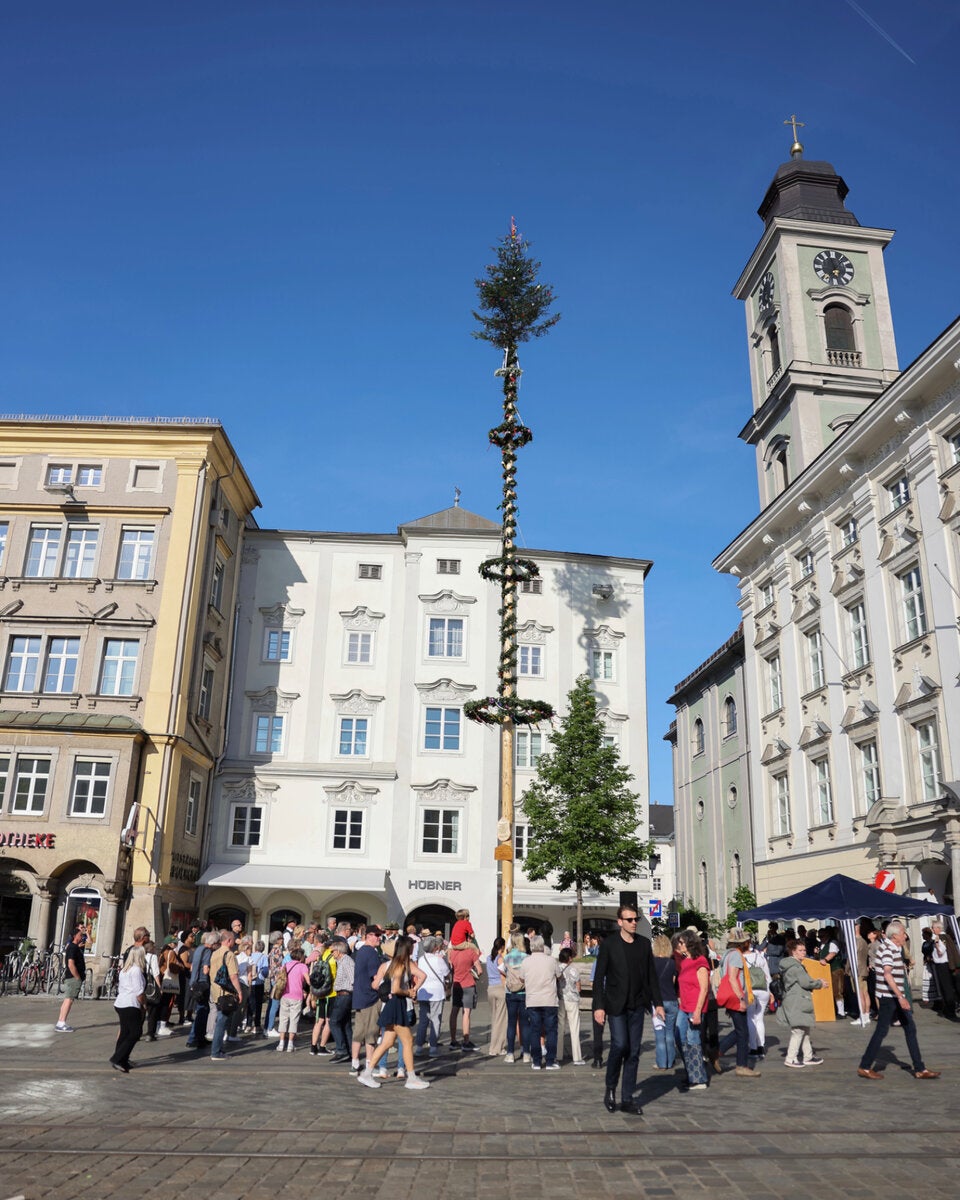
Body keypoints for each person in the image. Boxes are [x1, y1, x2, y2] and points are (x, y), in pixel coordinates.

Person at [592, 904, 664, 1115]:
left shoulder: (643, 944)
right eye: (629, 920)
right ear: (620, 922)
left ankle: (627, 1098)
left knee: (633, 1052)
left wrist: (658, 1003)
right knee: (620, 1044)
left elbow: (651, 976)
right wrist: (599, 1006)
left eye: (636, 919)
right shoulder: (610, 944)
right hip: (616, 1004)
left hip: (637, 1005)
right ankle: (610, 1088)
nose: (634, 923)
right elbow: (599, 977)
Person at [857, 920, 941, 1081]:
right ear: (895, 936)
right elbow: (887, 974)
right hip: (890, 998)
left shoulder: (894, 948)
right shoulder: (888, 950)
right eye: (903, 933)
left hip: (894, 997)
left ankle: (919, 1068)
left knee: (909, 1028)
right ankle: (865, 1066)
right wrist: (901, 997)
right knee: (882, 1031)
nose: (905, 936)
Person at [358, 936, 430, 1090]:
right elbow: (396, 989)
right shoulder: (400, 965)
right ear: (407, 949)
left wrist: (413, 990)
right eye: (412, 947)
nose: (413, 949)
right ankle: (411, 1078)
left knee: (387, 1042)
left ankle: (367, 1073)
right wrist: (410, 992)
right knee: (408, 1040)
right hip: (397, 1003)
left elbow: (423, 976)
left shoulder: (396, 964)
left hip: (393, 1004)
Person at [778, 937, 827, 1067]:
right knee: (798, 1030)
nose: (803, 952)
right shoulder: (796, 967)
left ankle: (808, 1056)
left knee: (804, 1030)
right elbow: (806, 982)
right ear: (793, 952)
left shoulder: (791, 965)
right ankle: (791, 1059)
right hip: (797, 1001)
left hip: (796, 999)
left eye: (804, 950)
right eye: (800, 950)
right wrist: (819, 983)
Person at [717, 928, 759, 1078]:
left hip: (731, 996)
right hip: (735, 996)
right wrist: (741, 998)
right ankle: (741, 1065)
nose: (749, 943)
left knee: (741, 1031)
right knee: (743, 1032)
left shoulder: (728, 954)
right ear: (743, 943)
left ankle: (717, 1051)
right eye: (747, 941)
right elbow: (732, 978)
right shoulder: (736, 955)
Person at [518, 934, 563, 1071]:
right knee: (551, 1031)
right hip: (549, 1000)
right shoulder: (551, 960)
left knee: (535, 1031)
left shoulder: (526, 961)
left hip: (533, 1000)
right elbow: (559, 975)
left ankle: (536, 1062)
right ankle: (550, 1061)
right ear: (543, 946)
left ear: (531, 946)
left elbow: (521, 978)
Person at [672, 930, 709, 1091]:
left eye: (681, 942)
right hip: (684, 1006)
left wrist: (698, 1011)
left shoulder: (700, 961)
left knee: (693, 1040)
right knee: (679, 1037)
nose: (679, 945)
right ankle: (691, 1072)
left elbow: (704, 988)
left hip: (695, 1006)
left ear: (690, 943)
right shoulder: (684, 962)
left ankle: (699, 1078)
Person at [350, 925, 385, 1075]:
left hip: (359, 995)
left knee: (358, 1031)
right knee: (371, 1032)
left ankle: (355, 1063)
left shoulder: (361, 951)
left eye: (379, 935)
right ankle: (370, 1065)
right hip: (370, 997)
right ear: (368, 936)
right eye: (376, 935)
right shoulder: (371, 952)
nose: (379, 938)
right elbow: (375, 977)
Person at [109, 945, 146, 1073]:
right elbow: (138, 991)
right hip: (130, 1004)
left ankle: (123, 1059)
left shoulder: (124, 970)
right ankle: (117, 1058)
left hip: (121, 1003)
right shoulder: (136, 970)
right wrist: (144, 1004)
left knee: (125, 1032)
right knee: (135, 1032)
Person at [208, 929, 242, 1062]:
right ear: (229, 940)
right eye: (233, 940)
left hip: (215, 990)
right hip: (226, 992)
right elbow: (233, 976)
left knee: (221, 1019)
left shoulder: (215, 953)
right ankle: (216, 1052)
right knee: (222, 1022)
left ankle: (219, 1049)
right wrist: (239, 991)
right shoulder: (229, 954)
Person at [415, 935, 449, 1057]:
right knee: (435, 1020)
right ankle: (433, 1047)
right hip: (436, 993)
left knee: (423, 1020)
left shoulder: (421, 959)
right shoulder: (438, 960)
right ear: (435, 947)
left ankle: (419, 1047)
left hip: (423, 992)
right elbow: (446, 973)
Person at [651, 934, 679, 1071]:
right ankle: (670, 1061)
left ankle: (661, 1063)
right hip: (671, 1000)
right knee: (670, 1032)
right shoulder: (672, 963)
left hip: (657, 1002)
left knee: (659, 1033)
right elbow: (673, 982)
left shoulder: (652, 963)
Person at [447, 936, 480, 1050]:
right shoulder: (471, 952)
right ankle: (466, 1042)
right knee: (466, 1013)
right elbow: (480, 970)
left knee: (454, 1011)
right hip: (468, 984)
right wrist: (475, 974)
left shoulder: (452, 953)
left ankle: (453, 1040)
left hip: (456, 984)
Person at [503, 932, 530, 1064]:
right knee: (525, 1023)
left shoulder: (507, 957)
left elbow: (504, 972)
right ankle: (526, 1053)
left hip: (510, 992)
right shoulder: (527, 957)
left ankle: (510, 1053)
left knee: (511, 1023)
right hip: (524, 992)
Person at [276, 946, 309, 1052]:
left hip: (285, 995)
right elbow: (308, 981)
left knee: (283, 1019)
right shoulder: (303, 967)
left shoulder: (285, 965)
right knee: (294, 1020)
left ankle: (281, 1043)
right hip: (297, 996)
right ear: (301, 957)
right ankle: (290, 1044)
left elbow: (280, 978)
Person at [743, 935, 772, 1058]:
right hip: (763, 989)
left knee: (750, 1017)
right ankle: (761, 1047)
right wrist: (770, 991)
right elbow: (768, 976)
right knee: (759, 1018)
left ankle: (753, 1048)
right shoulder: (760, 956)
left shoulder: (740, 958)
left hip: (749, 990)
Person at [557, 947, 586, 1065]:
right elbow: (579, 988)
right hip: (572, 1001)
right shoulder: (574, 970)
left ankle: (558, 1055)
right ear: (569, 958)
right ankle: (577, 1057)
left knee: (560, 1028)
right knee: (574, 1028)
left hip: (560, 1000)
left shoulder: (557, 969)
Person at [326, 938, 354, 1062]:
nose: (332, 953)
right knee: (345, 1023)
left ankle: (342, 1050)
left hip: (345, 994)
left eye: (333, 951)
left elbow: (353, 979)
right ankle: (350, 1051)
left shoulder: (346, 961)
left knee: (334, 1021)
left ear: (338, 951)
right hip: (342, 994)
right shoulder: (341, 961)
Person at [55, 928, 88, 1032]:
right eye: (80, 935)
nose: (81, 937)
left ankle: (60, 1021)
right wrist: (77, 977)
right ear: (75, 936)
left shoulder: (74, 947)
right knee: (69, 1000)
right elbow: (70, 964)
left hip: (72, 977)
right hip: (73, 978)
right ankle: (61, 1022)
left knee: (68, 999)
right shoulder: (73, 947)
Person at [928, 922, 960, 1018]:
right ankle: (947, 1009)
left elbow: (941, 952)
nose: (932, 929)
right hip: (943, 965)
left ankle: (950, 1011)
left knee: (946, 988)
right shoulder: (944, 937)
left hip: (943, 966)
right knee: (945, 988)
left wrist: (937, 944)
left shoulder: (941, 938)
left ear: (938, 928)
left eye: (933, 928)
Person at [484, 936, 507, 1056]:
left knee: (494, 1019)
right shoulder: (500, 959)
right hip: (500, 988)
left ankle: (493, 1047)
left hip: (490, 988)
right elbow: (504, 975)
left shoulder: (488, 958)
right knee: (501, 1019)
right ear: (502, 947)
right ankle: (498, 1047)